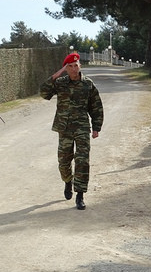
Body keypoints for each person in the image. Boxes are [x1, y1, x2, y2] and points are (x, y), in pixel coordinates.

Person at [39, 53, 104, 210]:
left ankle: (80, 195)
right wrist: (56, 75)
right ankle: (68, 181)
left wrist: (96, 127)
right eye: (70, 67)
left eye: (76, 66)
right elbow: (44, 93)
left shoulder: (88, 84)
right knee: (64, 161)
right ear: (66, 68)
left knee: (82, 161)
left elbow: (96, 107)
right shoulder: (60, 83)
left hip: (82, 127)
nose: (74, 69)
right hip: (64, 128)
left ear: (80, 66)